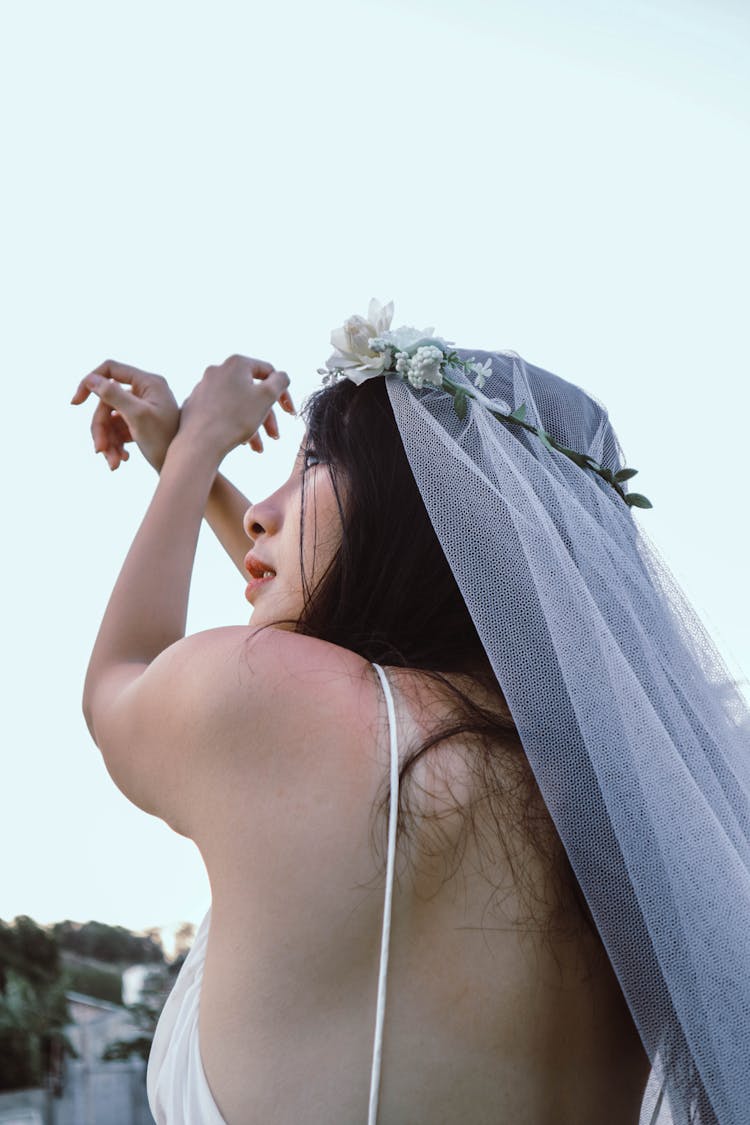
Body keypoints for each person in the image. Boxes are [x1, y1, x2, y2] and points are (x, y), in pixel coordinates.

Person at [71, 303, 750, 1125]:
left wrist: (193, 454)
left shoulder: (291, 713)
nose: (262, 510)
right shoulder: (621, 797)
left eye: (315, 460)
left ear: (421, 507)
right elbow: (330, 636)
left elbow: (123, 679)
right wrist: (217, 493)